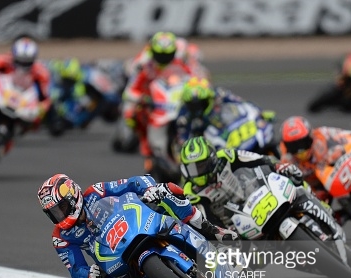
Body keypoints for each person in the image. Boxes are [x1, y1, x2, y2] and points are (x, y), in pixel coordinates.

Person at [37, 173, 238, 278]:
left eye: (61, 207)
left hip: (138, 226)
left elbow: (134, 182)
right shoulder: (61, 237)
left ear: (73, 197)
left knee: (169, 191)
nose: (59, 215)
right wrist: (90, 275)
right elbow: (77, 272)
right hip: (112, 262)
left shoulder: (96, 192)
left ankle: (211, 230)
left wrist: (150, 189)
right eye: (53, 212)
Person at [178, 136, 303, 230]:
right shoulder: (191, 193)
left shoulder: (226, 156)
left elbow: (258, 159)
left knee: (298, 188)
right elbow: (208, 222)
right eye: (192, 168)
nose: (197, 173)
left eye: (201, 166)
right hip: (238, 228)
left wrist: (279, 166)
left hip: (257, 198)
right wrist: (226, 235)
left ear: (212, 159)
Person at [279, 115, 351, 224]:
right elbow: (291, 185)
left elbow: (345, 135)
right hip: (317, 187)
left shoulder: (323, 134)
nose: (300, 149)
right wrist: (312, 194)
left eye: (302, 142)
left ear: (310, 136)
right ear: (286, 145)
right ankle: (342, 216)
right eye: (293, 146)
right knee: (315, 217)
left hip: (337, 172)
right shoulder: (286, 159)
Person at [121, 32, 198, 173]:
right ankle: (147, 149)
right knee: (133, 114)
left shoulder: (180, 65)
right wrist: (142, 98)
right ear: (153, 52)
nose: (164, 59)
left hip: (171, 102)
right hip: (151, 102)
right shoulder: (144, 67)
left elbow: (192, 79)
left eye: (167, 55)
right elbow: (131, 90)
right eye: (160, 55)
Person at [175, 77, 277, 154]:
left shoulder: (219, 94)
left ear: (209, 98)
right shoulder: (184, 115)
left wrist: (260, 113)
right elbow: (183, 141)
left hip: (233, 126)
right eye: (192, 105)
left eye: (201, 103)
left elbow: (242, 102)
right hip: (216, 140)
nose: (197, 108)